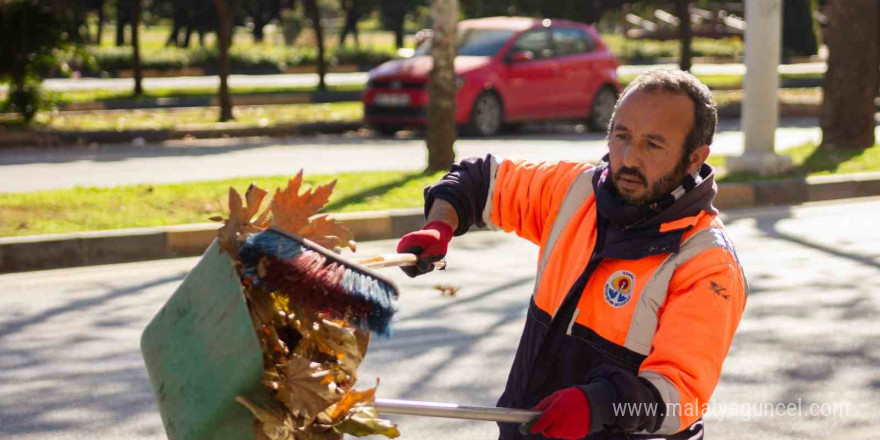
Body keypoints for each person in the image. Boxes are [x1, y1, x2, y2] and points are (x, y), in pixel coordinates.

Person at [395, 69, 748, 440]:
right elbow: (480, 180)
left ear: (695, 158)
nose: (628, 159)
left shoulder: (708, 264)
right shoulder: (577, 191)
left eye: (653, 145)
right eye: (621, 136)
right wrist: (440, 224)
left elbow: (679, 398)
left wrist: (597, 406)